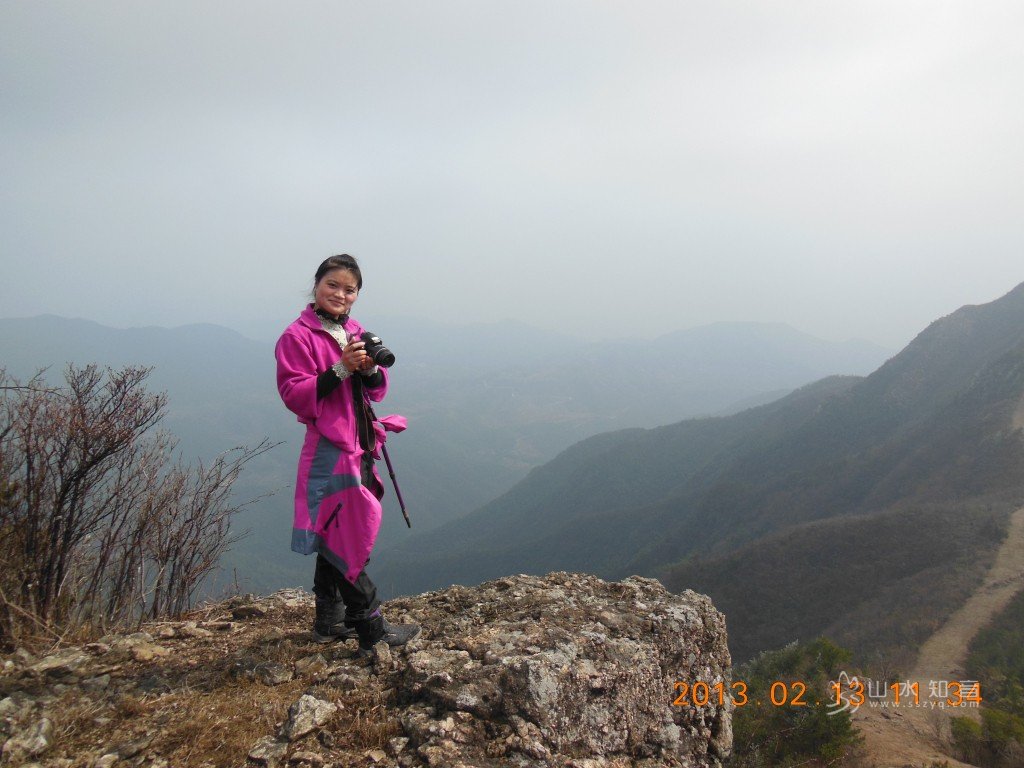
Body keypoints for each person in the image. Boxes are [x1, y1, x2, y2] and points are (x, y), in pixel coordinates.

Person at [275, 254, 419, 656]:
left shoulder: (353, 330)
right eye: (333, 285)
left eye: (349, 289)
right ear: (317, 285)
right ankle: (371, 628)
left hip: (361, 444)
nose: (340, 294)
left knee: (334, 532)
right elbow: (294, 394)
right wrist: (340, 368)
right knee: (345, 537)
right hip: (330, 449)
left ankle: (329, 621)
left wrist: (369, 368)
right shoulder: (297, 337)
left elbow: (375, 390)